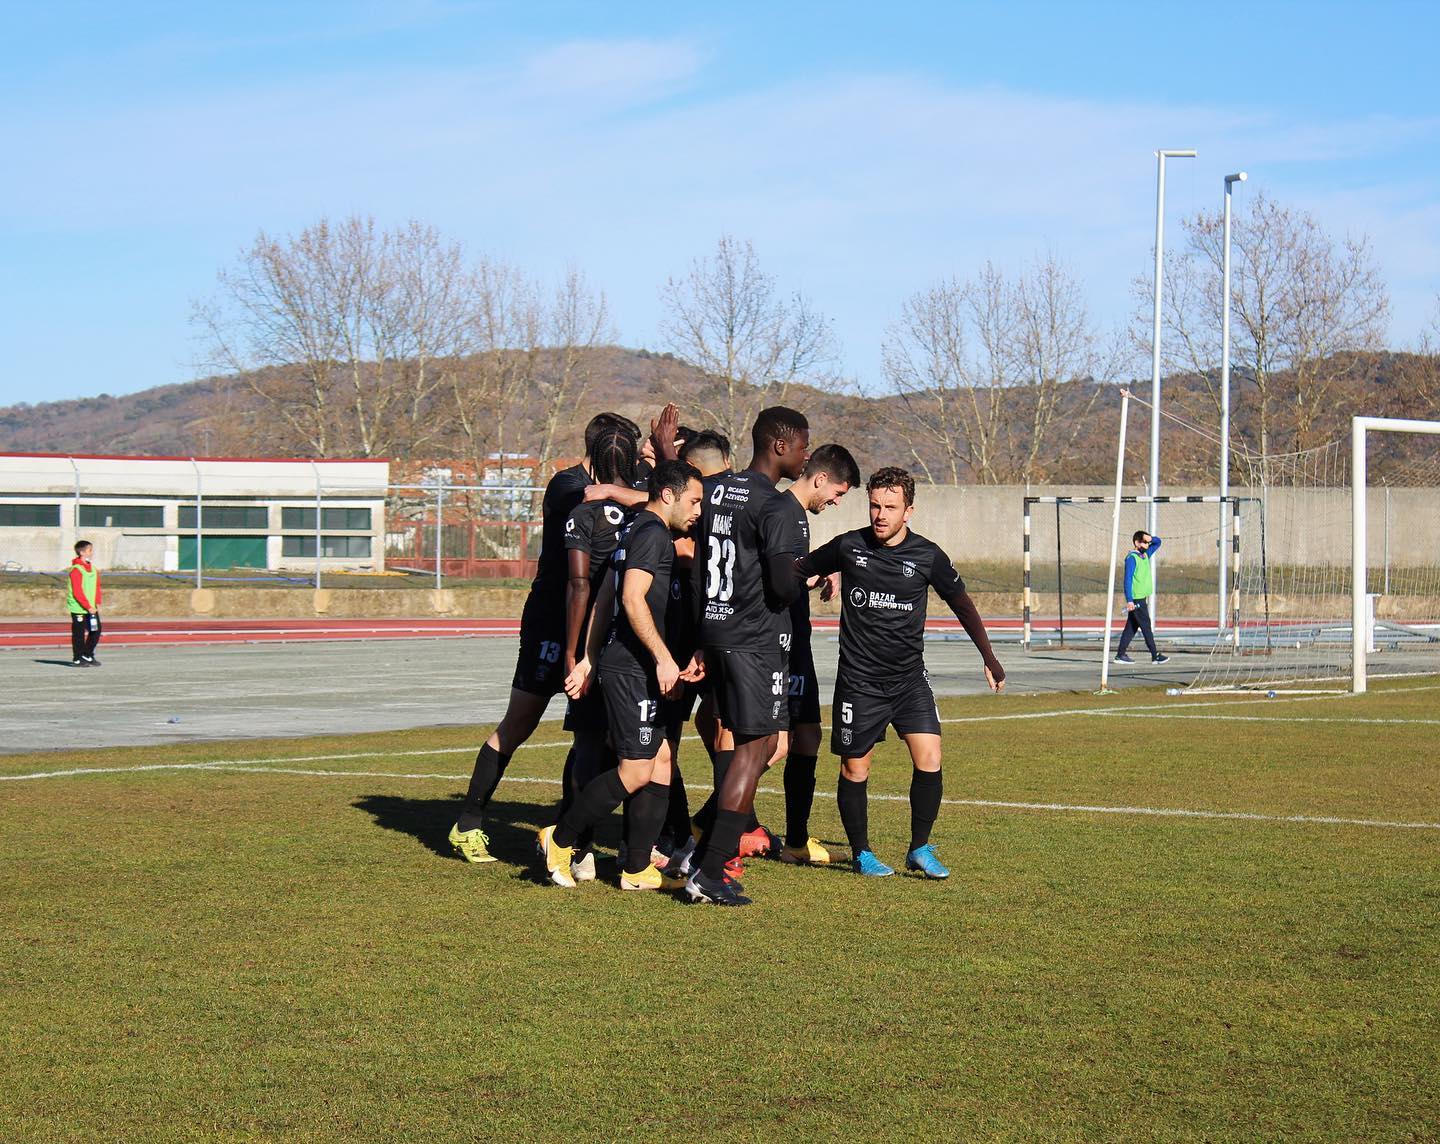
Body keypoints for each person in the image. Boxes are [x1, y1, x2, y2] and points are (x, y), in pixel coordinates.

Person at [448, 411, 641, 864]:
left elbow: (670, 498)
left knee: (591, 736)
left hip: (596, 627)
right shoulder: (567, 484)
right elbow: (586, 537)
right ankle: (468, 823)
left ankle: (574, 839)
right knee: (521, 722)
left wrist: (636, 475)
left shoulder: (625, 487)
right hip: (551, 625)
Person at [797, 466, 1004, 880]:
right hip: (859, 681)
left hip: (909, 679)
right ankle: (862, 853)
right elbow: (799, 568)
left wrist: (989, 655)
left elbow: (962, 603)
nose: (880, 514)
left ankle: (919, 848)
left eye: (890, 507)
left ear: (909, 511)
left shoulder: (928, 555)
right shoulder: (849, 545)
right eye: (875, 505)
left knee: (930, 757)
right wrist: (823, 574)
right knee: (856, 768)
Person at [538, 459, 706, 890]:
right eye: (693, 501)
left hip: (630, 663)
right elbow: (631, 599)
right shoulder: (651, 533)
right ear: (667, 495)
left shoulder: (637, 529)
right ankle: (559, 838)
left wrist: (591, 656)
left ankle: (635, 868)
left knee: (663, 759)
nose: (698, 511)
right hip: (633, 669)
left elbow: (604, 598)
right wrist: (664, 659)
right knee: (635, 770)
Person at [684, 407, 811, 906]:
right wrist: (811, 570)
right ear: (779, 445)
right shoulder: (779, 508)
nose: (804, 455)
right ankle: (710, 870)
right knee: (754, 749)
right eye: (802, 445)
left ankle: (704, 858)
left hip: (715, 627)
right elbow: (783, 585)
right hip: (754, 638)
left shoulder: (716, 490)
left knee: (740, 744)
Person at [553, 424, 641, 882]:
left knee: (587, 743)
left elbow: (579, 585)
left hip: (592, 642)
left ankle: (580, 847)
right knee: (637, 748)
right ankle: (634, 850)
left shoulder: (582, 514)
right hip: (636, 644)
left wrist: (572, 652)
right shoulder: (647, 503)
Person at [773, 443, 861, 865]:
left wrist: (818, 572)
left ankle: (794, 842)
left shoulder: (798, 519)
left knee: (807, 737)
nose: (837, 502)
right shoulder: (780, 512)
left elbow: (793, 569)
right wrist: (806, 579)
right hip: (773, 645)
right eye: (838, 493)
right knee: (769, 747)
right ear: (821, 479)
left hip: (797, 641)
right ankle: (708, 828)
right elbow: (774, 579)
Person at [1114, 530, 1169, 665]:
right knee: (1146, 627)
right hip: (1137, 599)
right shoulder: (1132, 558)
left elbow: (1158, 542)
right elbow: (1127, 580)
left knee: (1131, 628)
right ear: (1136, 543)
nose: (1147, 544)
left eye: (1147, 542)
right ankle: (1155, 655)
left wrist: (1150, 538)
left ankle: (1120, 655)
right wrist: (1130, 600)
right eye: (1144, 542)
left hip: (1142, 597)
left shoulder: (1145, 555)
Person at [67, 540, 102, 667]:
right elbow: (77, 591)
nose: (91, 553)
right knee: (79, 634)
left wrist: (96, 602)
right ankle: (77, 658)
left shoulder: (92, 568)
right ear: (82, 552)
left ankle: (87, 654)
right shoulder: (76, 569)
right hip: (79, 607)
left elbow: (96, 586)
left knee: (96, 630)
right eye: (89, 550)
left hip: (91, 607)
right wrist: (87, 606)